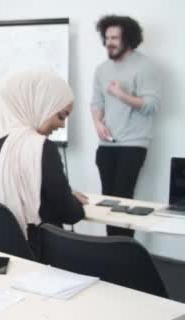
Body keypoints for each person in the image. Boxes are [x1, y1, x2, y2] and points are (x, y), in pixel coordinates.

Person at [0, 70, 87, 251]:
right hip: (34, 256)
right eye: (60, 116)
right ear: (40, 104)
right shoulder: (40, 147)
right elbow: (68, 213)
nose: (61, 125)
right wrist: (73, 200)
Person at [90, 15, 161, 237]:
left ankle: (124, 256)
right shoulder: (101, 69)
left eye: (114, 38)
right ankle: (112, 251)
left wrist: (122, 94)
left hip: (133, 145)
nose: (109, 42)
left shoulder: (145, 66)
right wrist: (97, 124)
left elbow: (152, 105)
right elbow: (96, 102)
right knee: (107, 203)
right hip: (106, 144)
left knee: (123, 202)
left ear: (128, 39)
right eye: (107, 37)